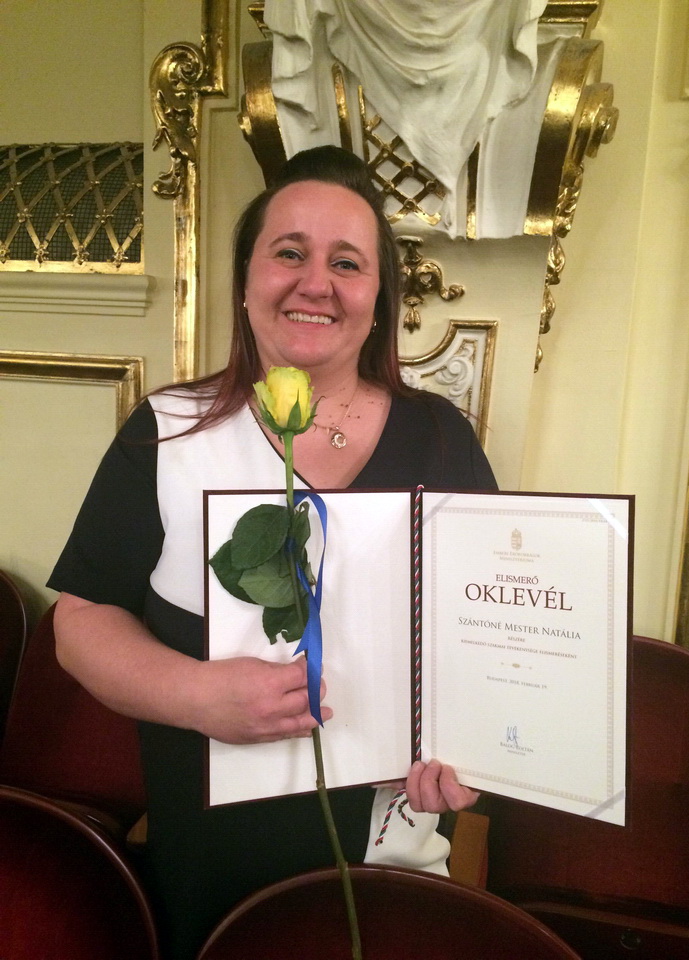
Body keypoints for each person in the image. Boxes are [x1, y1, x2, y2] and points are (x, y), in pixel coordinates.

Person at [49, 146, 497, 958]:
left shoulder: (442, 438)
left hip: (390, 865)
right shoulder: (167, 434)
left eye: (347, 263)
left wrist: (467, 752)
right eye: (289, 252)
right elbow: (80, 622)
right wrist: (196, 693)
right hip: (213, 867)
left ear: (378, 299)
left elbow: (483, 638)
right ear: (246, 281)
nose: (315, 282)